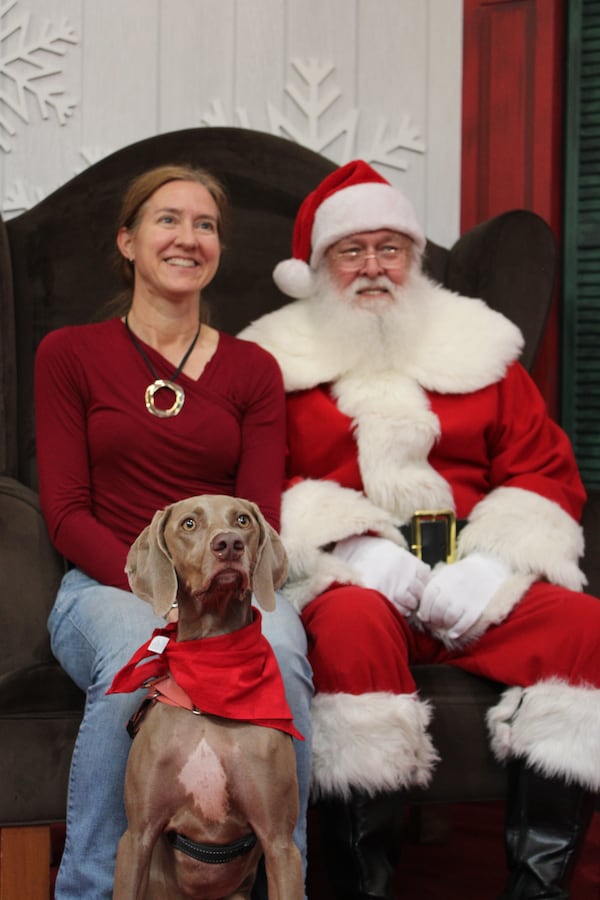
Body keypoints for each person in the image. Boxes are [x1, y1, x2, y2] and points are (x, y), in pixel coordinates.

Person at [239, 159, 600, 900]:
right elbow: (255, 488)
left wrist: (494, 564)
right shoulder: (270, 360)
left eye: (391, 247)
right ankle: (358, 884)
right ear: (319, 266)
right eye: (352, 250)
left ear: (415, 257)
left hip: (474, 562)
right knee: (352, 629)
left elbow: (544, 470)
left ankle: (538, 888)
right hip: (350, 577)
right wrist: (355, 551)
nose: (374, 267)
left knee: (582, 628)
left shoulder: (483, 348)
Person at [34, 164, 313, 899]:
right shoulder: (69, 354)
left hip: (228, 591)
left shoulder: (253, 369)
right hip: (104, 585)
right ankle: (92, 888)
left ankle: (285, 877)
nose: (187, 237)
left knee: (285, 648)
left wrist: (226, 596)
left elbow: (255, 514)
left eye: (205, 225)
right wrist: (164, 601)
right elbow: (65, 512)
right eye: (168, 220)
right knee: (140, 659)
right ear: (127, 241)